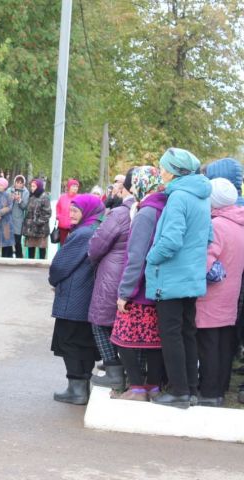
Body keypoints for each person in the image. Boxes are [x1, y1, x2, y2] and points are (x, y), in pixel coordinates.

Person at [145, 148, 211, 409]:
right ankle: (191, 390)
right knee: (187, 333)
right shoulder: (202, 197)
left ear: (173, 171)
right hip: (192, 277)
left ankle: (179, 392)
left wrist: (151, 258)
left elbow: (170, 241)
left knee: (171, 335)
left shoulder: (178, 198)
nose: (160, 171)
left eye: (163, 167)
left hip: (171, 278)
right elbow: (208, 237)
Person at [110, 166, 166, 401]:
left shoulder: (146, 213)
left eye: (134, 184)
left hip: (140, 289)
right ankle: (153, 386)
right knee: (154, 341)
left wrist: (125, 292)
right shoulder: (164, 207)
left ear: (144, 184)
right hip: (157, 287)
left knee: (122, 338)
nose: (131, 189)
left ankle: (137, 388)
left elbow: (136, 256)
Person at [49, 194, 104, 405]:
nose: (70, 214)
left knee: (70, 342)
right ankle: (81, 387)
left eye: (75, 210)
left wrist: (53, 280)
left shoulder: (82, 234)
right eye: (69, 210)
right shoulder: (95, 230)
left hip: (74, 297)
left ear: (87, 211)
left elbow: (60, 265)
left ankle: (76, 390)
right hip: (86, 296)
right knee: (84, 343)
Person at [195, 178, 244, 406]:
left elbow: (204, 261)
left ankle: (209, 393)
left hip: (210, 296)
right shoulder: (238, 223)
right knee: (225, 345)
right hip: (231, 295)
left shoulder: (216, 226)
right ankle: (220, 390)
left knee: (208, 347)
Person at [88, 169, 135, 390]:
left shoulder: (120, 213)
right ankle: (126, 370)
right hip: (132, 272)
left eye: (119, 183)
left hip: (113, 274)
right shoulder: (147, 209)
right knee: (125, 324)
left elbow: (97, 245)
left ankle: (114, 370)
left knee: (100, 322)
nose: (115, 187)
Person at [22, 179, 51, 260]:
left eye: (34, 186)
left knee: (41, 249)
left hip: (40, 229)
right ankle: (31, 266)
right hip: (30, 229)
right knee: (31, 248)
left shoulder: (44, 197)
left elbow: (47, 213)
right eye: (31, 186)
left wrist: (37, 222)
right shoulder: (31, 196)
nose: (32, 188)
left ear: (39, 187)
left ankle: (41, 266)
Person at [9, 175, 29, 259]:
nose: (19, 184)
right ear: (15, 182)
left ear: (23, 184)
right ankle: (8, 258)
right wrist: (12, 198)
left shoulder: (26, 192)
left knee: (17, 241)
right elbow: (4, 203)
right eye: (17, 182)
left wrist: (19, 200)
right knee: (8, 241)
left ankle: (19, 258)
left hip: (18, 219)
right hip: (9, 219)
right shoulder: (9, 190)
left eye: (21, 183)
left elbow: (25, 206)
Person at [55, 179, 79, 244]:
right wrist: (58, 216)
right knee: (62, 244)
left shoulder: (79, 198)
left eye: (76, 186)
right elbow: (58, 207)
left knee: (72, 244)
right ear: (69, 187)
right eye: (73, 186)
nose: (75, 188)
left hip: (74, 225)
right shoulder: (62, 197)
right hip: (62, 225)